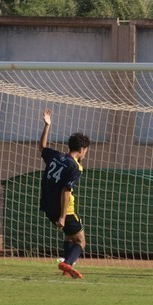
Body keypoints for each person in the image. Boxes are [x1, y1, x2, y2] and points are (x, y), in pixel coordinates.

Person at [38, 108, 90, 279]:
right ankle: (67, 263)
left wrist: (47, 126)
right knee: (81, 241)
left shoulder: (56, 156)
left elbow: (42, 147)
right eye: (86, 150)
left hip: (47, 207)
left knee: (69, 236)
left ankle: (66, 267)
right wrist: (62, 216)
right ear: (82, 149)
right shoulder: (75, 167)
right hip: (64, 210)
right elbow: (66, 190)